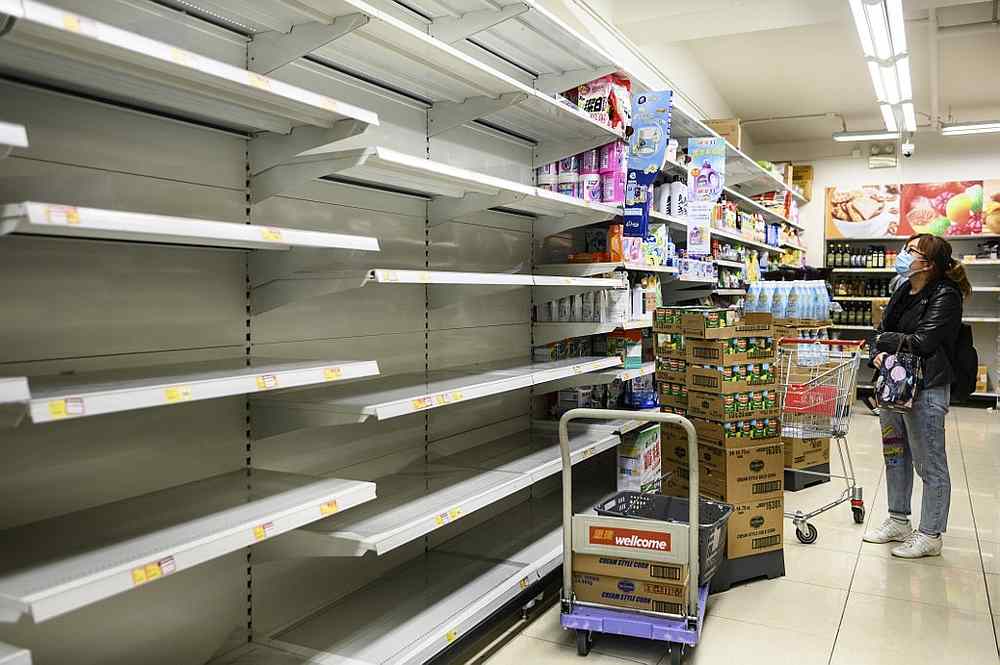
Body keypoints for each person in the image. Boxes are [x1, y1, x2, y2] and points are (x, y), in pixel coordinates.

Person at [863, 234, 971, 558]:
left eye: (911, 251)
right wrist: (877, 352)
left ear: (929, 263)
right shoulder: (902, 289)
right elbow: (878, 332)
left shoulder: (946, 295)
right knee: (895, 455)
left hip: (926, 389)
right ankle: (898, 519)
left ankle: (930, 534)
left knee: (930, 463)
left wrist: (884, 341)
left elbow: (923, 341)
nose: (903, 255)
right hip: (894, 385)